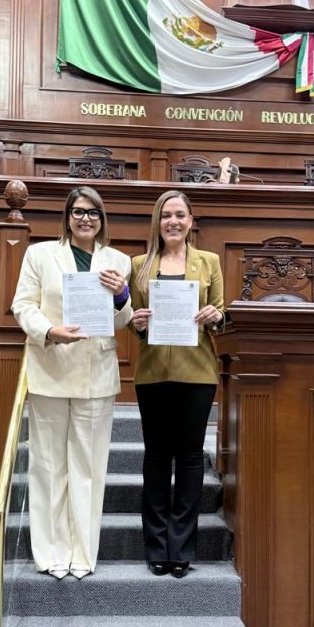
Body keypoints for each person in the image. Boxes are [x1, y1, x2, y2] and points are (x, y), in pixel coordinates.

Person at [11, 186, 132, 580]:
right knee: (47, 465)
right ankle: (50, 552)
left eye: (93, 213)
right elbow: (23, 305)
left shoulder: (118, 260)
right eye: (79, 212)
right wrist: (49, 330)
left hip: (96, 375)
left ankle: (83, 552)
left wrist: (121, 296)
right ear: (67, 216)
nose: (85, 219)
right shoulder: (40, 254)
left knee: (89, 467)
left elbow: (122, 321)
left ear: (102, 219)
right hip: (51, 369)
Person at [130, 190, 224, 579]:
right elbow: (137, 324)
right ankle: (156, 547)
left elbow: (223, 314)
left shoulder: (210, 262)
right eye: (166, 215)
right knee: (155, 458)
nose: (173, 221)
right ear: (157, 221)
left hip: (197, 373)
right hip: (153, 374)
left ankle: (180, 548)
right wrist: (136, 324)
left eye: (180, 215)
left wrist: (214, 314)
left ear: (190, 221)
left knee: (188, 459)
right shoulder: (139, 264)